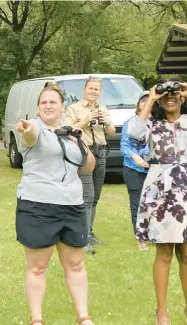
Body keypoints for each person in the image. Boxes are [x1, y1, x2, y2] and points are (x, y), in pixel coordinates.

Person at [128, 78, 187, 325]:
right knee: (164, 252)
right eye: (166, 95)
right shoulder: (151, 123)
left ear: (181, 98)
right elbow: (134, 133)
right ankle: (162, 312)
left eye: (175, 94)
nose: (171, 97)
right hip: (160, 189)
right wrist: (151, 98)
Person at [15, 85, 96, 325]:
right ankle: (37, 320)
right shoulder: (34, 127)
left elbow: (88, 167)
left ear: (63, 107)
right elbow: (30, 136)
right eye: (43, 102)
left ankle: (83, 317)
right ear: (38, 107)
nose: (48, 106)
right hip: (38, 206)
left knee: (76, 264)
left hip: (72, 205)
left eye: (53, 102)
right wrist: (26, 129)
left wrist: (78, 139)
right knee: (38, 267)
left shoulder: (70, 131)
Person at [64, 76, 116, 254]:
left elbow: (112, 131)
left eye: (97, 89)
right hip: (84, 154)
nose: (93, 91)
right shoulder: (74, 108)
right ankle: (82, 238)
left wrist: (106, 121)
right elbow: (68, 130)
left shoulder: (103, 108)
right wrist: (86, 119)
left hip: (101, 152)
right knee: (86, 197)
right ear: (84, 90)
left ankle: (90, 233)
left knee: (95, 197)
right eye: (91, 88)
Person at [120, 91, 150, 251]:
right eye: (143, 101)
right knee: (138, 204)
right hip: (133, 169)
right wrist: (136, 157)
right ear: (138, 104)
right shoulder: (130, 123)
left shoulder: (158, 123)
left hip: (154, 171)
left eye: (149, 101)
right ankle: (141, 238)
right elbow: (124, 146)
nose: (146, 104)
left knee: (154, 204)